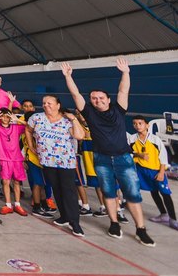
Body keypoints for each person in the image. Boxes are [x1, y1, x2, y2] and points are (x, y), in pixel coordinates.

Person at [62, 58, 155, 246]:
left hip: (123, 158)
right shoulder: (89, 112)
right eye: (94, 98)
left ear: (108, 99)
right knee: (108, 193)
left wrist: (125, 73)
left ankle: (141, 229)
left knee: (132, 194)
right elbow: (75, 94)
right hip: (102, 158)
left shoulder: (119, 110)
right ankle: (114, 223)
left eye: (101, 98)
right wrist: (68, 77)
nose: (97, 101)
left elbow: (123, 90)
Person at [26, 94, 86, 237]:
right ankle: (64, 216)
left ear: (58, 105)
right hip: (47, 161)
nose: (46, 105)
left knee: (69, 191)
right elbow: (28, 130)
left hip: (66, 162)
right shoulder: (36, 118)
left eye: (50, 103)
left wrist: (74, 119)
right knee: (56, 189)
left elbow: (79, 136)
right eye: (44, 103)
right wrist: (30, 144)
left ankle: (75, 222)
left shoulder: (67, 120)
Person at [129, 115, 178, 233]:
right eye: (135, 123)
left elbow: (163, 157)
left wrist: (162, 172)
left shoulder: (155, 140)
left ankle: (173, 220)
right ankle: (163, 214)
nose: (138, 126)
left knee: (165, 193)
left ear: (147, 125)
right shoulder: (132, 139)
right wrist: (139, 155)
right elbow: (129, 152)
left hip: (156, 170)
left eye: (140, 123)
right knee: (153, 191)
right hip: (141, 170)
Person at [0, 107, 28, 216]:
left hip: (16, 159)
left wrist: (17, 119)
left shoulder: (16, 127)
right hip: (4, 159)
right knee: (5, 182)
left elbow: (29, 126)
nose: (5, 118)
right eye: (2, 116)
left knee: (17, 181)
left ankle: (17, 204)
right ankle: (8, 205)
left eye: (7, 116)